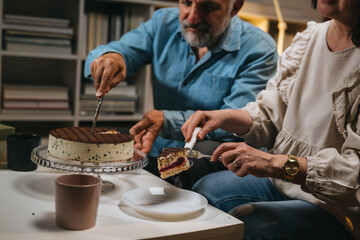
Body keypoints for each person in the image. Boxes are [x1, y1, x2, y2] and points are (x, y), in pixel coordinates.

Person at [181, 0, 360, 239]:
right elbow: (269, 114)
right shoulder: (310, 38)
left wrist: (273, 163)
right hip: (282, 182)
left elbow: (354, 176)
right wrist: (221, 117)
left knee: (254, 224)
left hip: (339, 208)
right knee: (206, 191)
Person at [84, 0, 278, 189]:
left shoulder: (259, 49)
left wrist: (166, 121)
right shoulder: (162, 22)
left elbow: (235, 122)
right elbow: (123, 51)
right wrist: (111, 57)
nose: (192, 17)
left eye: (208, 7)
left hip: (210, 156)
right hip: (157, 146)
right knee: (95, 151)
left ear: (235, 7)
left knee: (203, 152)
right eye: (186, 3)